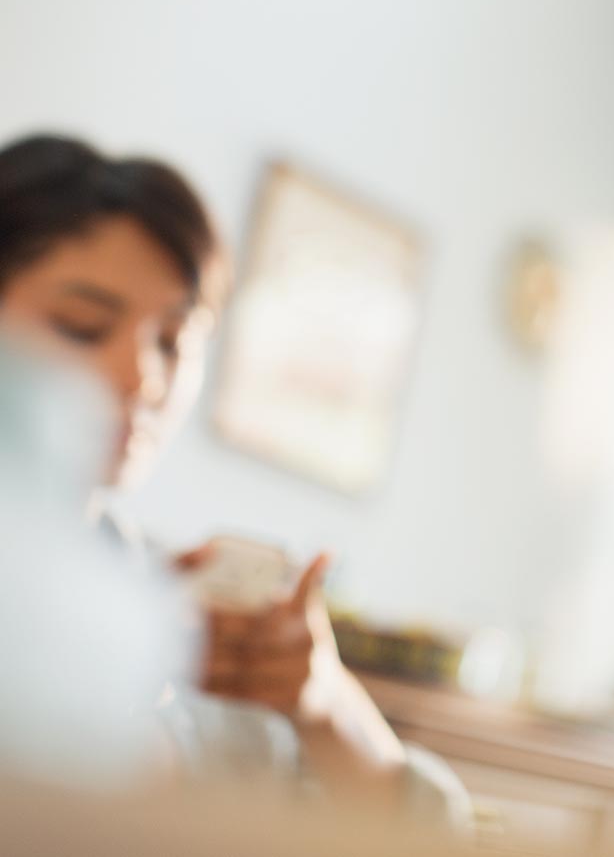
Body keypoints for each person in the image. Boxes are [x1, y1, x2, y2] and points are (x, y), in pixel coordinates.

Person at [0, 133, 466, 824]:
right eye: (82, 326)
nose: (144, 379)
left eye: (174, 341)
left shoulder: (179, 610)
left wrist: (320, 700)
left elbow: (429, 831)